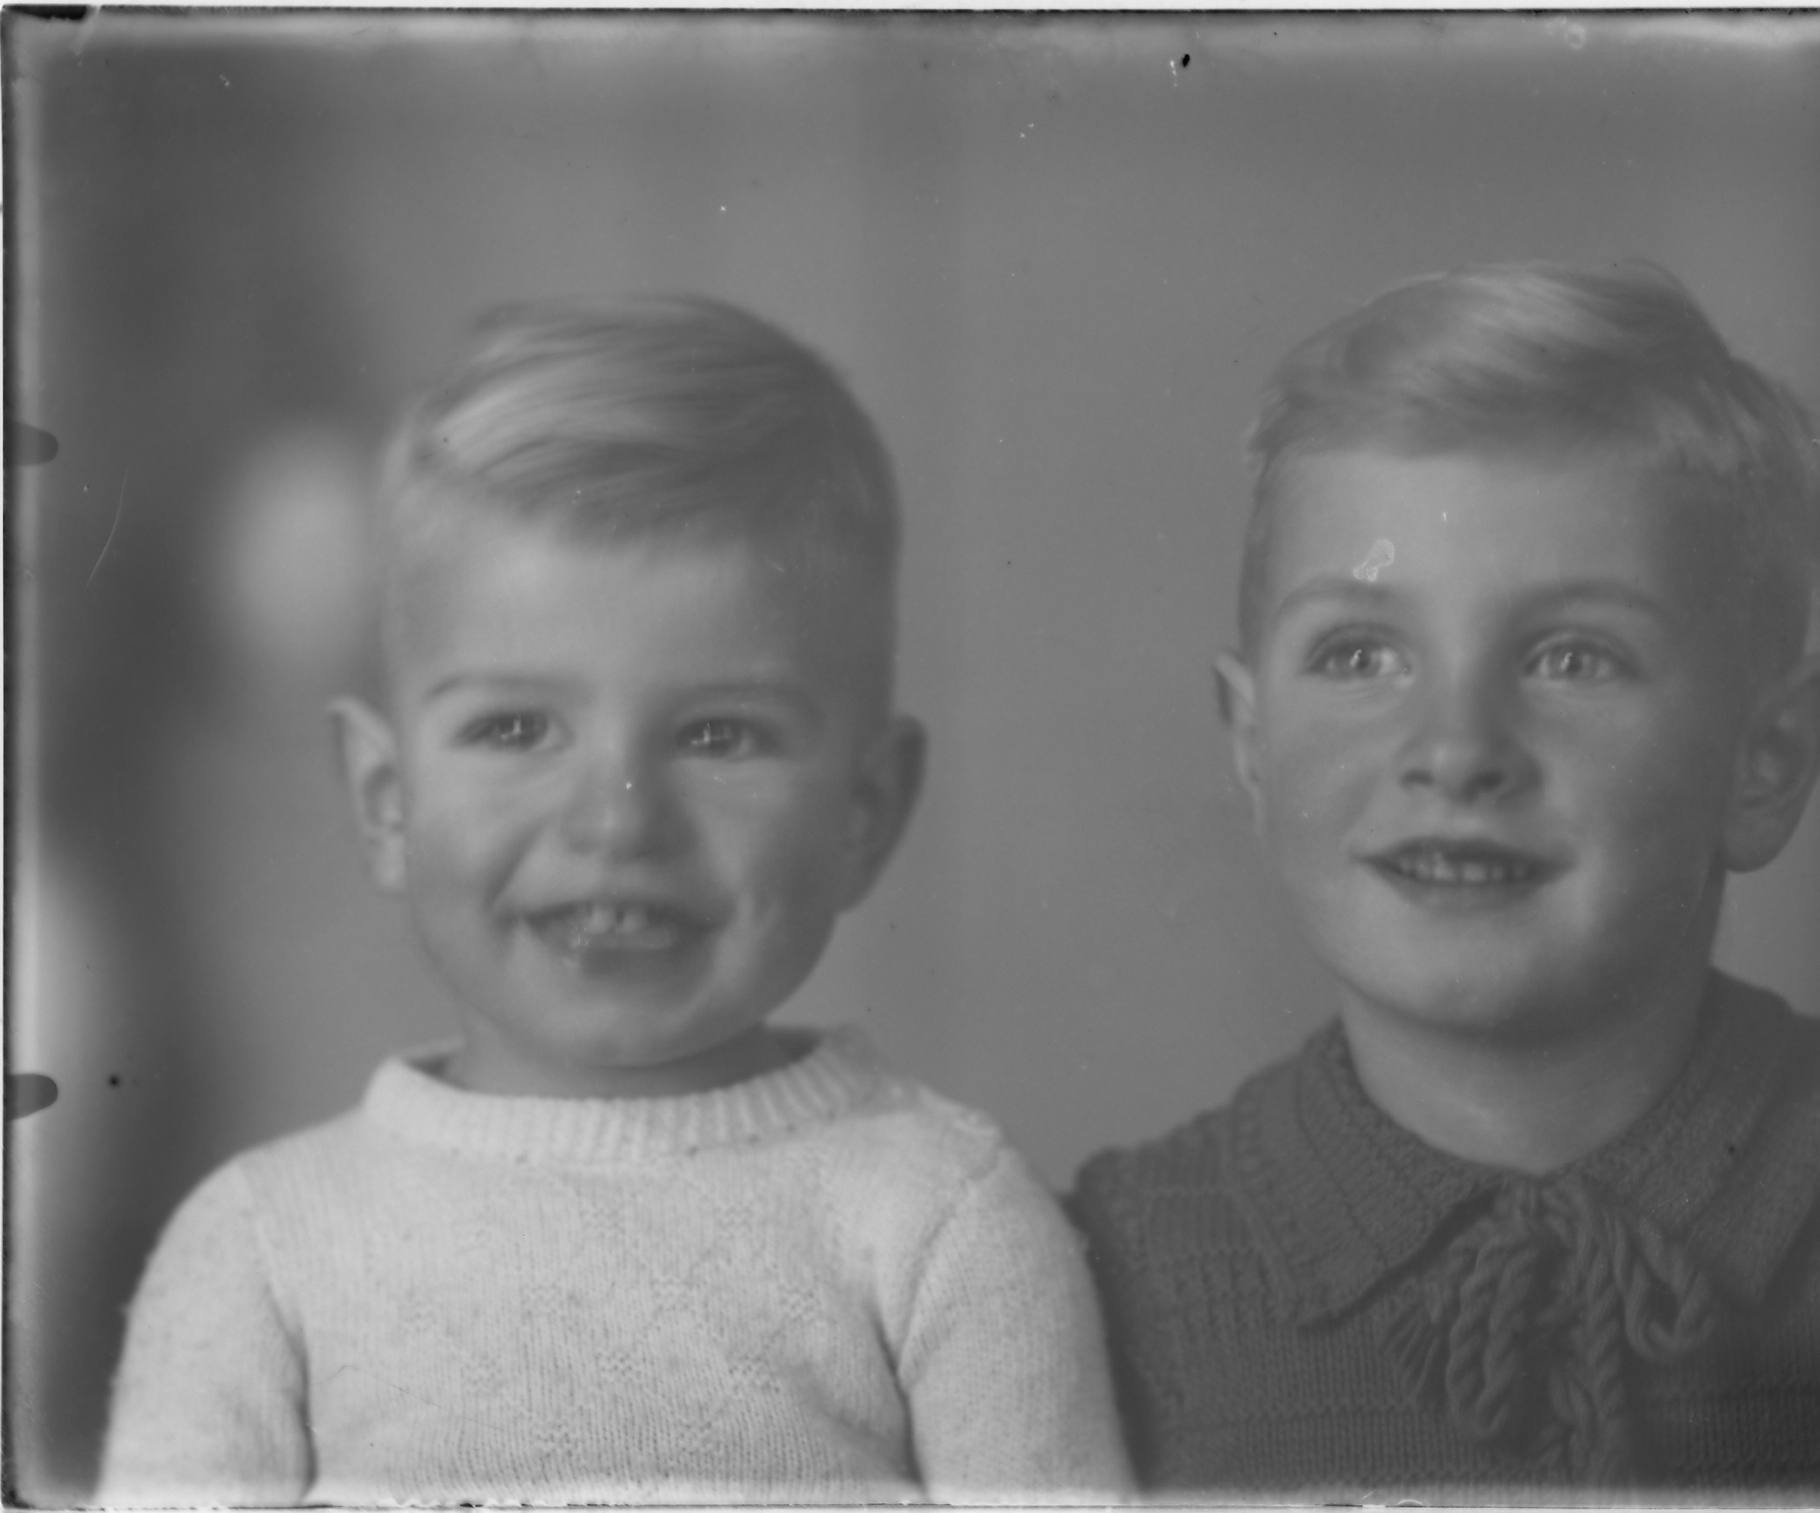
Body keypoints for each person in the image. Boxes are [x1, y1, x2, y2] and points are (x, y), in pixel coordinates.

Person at [98, 297, 1130, 1505]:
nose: (617, 819)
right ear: (385, 800)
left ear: (864, 810)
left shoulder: (946, 1222)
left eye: (718, 734)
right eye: (515, 728)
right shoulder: (259, 1252)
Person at [1071, 261, 1820, 1498]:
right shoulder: (1097, 1269)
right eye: (1359, 652)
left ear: (1763, 762)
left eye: (1571, 656)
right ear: (1249, 742)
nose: (1456, 750)